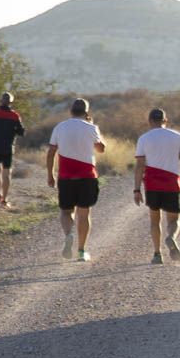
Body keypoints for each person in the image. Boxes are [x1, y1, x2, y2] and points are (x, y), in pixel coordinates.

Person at [46, 98, 105, 262]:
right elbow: (101, 149)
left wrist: (50, 174)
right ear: (87, 113)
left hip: (66, 176)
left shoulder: (60, 127)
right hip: (87, 176)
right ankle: (81, 251)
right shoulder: (91, 127)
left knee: (66, 212)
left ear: (71, 111)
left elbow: (51, 153)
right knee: (84, 213)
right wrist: (93, 128)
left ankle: (69, 233)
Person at [133, 107, 180, 264]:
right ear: (165, 121)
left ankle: (157, 254)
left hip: (152, 184)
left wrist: (137, 189)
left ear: (150, 121)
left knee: (154, 220)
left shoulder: (144, 139)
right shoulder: (176, 136)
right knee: (173, 219)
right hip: (171, 182)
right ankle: (171, 237)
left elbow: (139, 166)